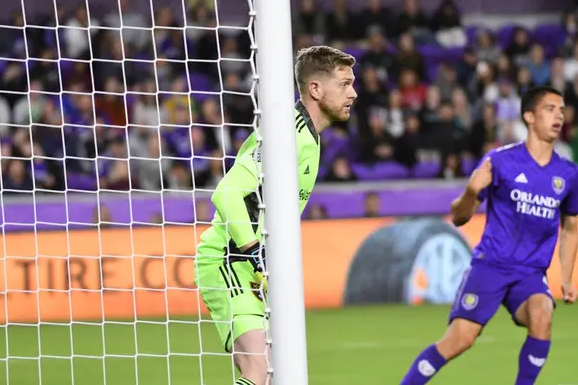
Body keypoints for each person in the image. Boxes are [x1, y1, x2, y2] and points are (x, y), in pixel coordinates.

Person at [194, 46, 357, 385]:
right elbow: (225, 192)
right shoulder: (287, 133)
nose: (353, 93)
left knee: (270, 375)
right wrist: (255, 251)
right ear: (315, 89)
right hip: (232, 258)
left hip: (254, 267)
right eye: (344, 84)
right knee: (261, 371)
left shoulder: (308, 137)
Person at [400, 86, 578, 385]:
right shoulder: (501, 161)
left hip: (530, 274)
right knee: (459, 340)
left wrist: (567, 278)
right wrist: (471, 191)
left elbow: (571, 228)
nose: (559, 116)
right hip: (491, 265)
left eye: (562, 110)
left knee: (542, 313)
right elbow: (459, 217)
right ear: (529, 116)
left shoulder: (569, 174)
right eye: (550, 109)